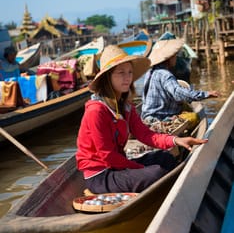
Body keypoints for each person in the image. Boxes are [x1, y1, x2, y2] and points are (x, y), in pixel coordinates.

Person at [76, 45, 209, 194]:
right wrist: (140, 169)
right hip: (100, 175)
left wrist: (175, 141)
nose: (127, 78)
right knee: (155, 173)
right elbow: (107, 155)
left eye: (130, 72)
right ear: (108, 77)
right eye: (121, 73)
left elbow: (145, 134)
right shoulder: (96, 111)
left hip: (117, 166)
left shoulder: (126, 107)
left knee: (166, 158)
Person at [141, 39, 220, 122]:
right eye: (175, 55)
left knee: (183, 107)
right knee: (195, 117)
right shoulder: (165, 74)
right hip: (159, 119)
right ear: (169, 58)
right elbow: (178, 93)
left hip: (146, 117)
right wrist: (206, 94)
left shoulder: (150, 72)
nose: (176, 57)